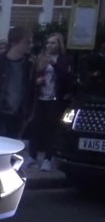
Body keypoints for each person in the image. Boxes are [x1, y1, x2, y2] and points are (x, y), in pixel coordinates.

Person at [26, 32, 73, 171]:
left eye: (53, 43)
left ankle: (48, 158)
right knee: (35, 128)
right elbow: (32, 78)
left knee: (50, 130)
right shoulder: (40, 58)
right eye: (48, 43)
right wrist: (37, 82)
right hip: (40, 98)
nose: (49, 45)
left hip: (54, 99)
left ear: (59, 45)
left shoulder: (64, 60)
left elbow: (67, 80)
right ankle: (32, 157)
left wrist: (55, 65)